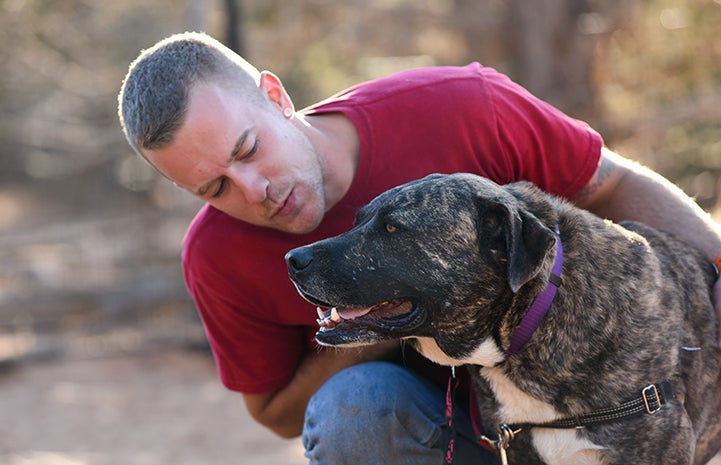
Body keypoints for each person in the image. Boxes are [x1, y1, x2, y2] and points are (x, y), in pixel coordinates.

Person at [118, 32, 721, 464]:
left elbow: (612, 182)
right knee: (356, 408)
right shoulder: (215, 257)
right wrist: (381, 321)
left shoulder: (461, 107)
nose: (255, 191)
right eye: (214, 188)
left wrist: (718, 269)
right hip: (436, 430)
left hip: (595, 394)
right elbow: (276, 414)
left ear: (276, 96)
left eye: (248, 150)